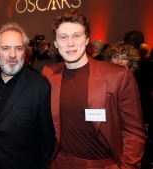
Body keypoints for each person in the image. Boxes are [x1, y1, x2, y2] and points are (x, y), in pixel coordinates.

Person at [42, 10, 146, 169]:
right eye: (63, 37)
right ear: (55, 43)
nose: (70, 43)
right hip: (59, 162)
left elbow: (133, 134)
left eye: (77, 36)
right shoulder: (49, 73)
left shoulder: (118, 75)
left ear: (86, 39)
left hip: (102, 164)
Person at [0, 22, 55, 169]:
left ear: (24, 51)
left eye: (18, 48)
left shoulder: (40, 87)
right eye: (5, 48)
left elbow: (47, 141)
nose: (12, 54)